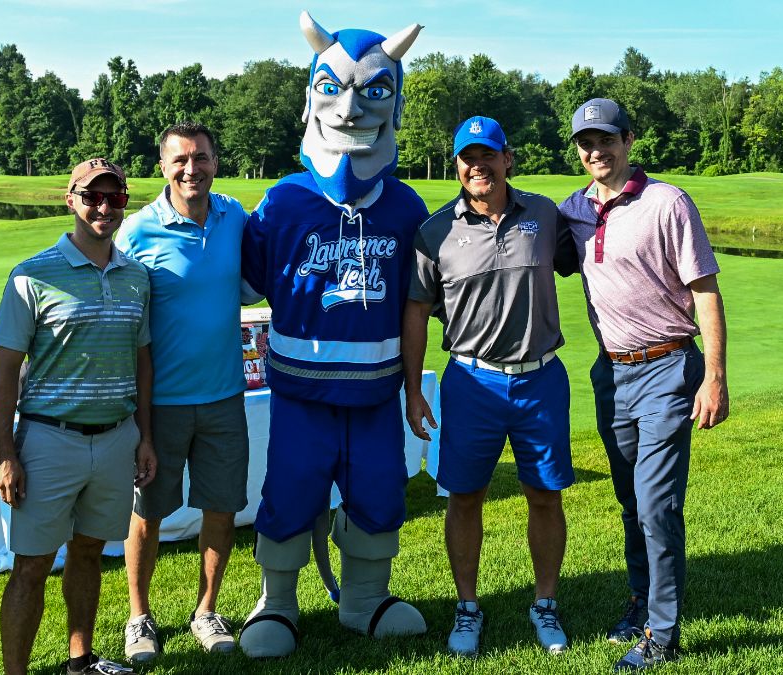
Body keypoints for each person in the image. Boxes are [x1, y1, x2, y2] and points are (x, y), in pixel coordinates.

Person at [238, 12, 428, 658]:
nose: (349, 110)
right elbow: (243, 283)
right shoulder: (283, 201)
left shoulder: (405, 207)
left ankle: (365, 598)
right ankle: (277, 599)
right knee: (291, 487)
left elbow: (421, 300)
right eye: (332, 89)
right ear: (311, 95)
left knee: (379, 487)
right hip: (301, 394)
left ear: (395, 102)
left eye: (373, 91)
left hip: (375, 394)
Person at [557, 98, 729, 672]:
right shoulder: (574, 210)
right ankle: (640, 600)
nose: (596, 152)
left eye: (606, 140)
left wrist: (714, 377)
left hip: (667, 368)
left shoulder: (667, 202)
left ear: (629, 141)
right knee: (631, 500)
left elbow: (705, 291)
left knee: (657, 504)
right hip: (611, 374)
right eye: (586, 143)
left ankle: (663, 632)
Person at [403, 116, 579, 657]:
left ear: (507, 159)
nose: (478, 166)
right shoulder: (435, 232)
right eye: (468, 158)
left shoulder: (544, 215)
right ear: (457, 165)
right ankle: (467, 607)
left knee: (544, 494)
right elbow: (416, 313)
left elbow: (593, 262)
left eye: (488, 156)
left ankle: (545, 603)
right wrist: (413, 390)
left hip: (540, 378)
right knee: (464, 496)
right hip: (470, 380)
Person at [0, 158, 155, 675]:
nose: (104, 207)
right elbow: (4, 370)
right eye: (92, 197)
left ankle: (80, 661)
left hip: (116, 437)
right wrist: (5, 453)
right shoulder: (33, 274)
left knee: (88, 552)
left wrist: (144, 437)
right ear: (71, 200)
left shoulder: (136, 276)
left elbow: (142, 362)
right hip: (49, 439)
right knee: (32, 565)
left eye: (115, 197)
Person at [115, 123, 250, 662]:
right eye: (180, 160)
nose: (191, 169)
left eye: (201, 158)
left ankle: (206, 610)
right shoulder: (136, 232)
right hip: (160, 404)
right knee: (148, 514)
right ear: (163, 167)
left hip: (224, 397)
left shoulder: (234, 217)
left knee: (221, 508)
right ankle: (139, 616)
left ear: (216, 162)